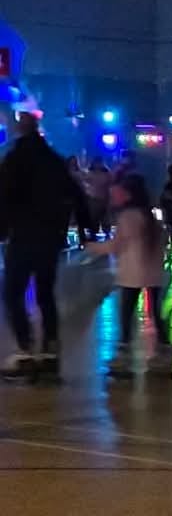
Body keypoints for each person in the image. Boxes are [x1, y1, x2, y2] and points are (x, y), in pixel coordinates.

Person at [0, 112, 87, 379]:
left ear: (19, 129)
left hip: (23, 235)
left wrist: (2, 230)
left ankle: (26, 350)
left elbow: (4, 197)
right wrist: (87, 229)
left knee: (13, 292)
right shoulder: (54, 160)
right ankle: (50, 351)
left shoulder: (14, 160)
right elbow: (76, 193)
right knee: (45, 293)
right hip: (50, 238)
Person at [87, 174, 172, 376]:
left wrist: (92, 247)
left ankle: (123, 355)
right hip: (153, 274)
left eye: (118, 192)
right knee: (156, 314)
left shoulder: (128, 217)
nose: (114, 195)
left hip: (132, 276)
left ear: (127, 194)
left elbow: (116, 246)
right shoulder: (150, 216)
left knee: (126, 315)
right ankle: (164, 353)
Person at [85, 157, 112, 238]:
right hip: (93, 197)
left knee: (105, 217)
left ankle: (106, 232)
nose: (98, 164)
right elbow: (85, 181)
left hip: (104, 197)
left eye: (99, 162)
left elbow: (110, 183)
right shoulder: (90, 172)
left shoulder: (106, 172)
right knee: (93, 217)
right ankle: (93, 233)